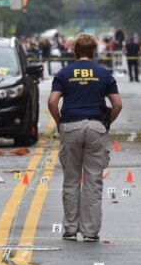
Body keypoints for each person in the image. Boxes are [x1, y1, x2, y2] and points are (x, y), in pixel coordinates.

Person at [47, 33, 122, 242]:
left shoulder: (64, 73)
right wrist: (106, 124)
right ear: (94, 52)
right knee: (93, 181)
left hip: (70, 126)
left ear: (74, 52)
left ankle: (70, 229)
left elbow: (52, 102)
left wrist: (59, 122)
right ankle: (90, 232)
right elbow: (117, 104)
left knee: (71, 179)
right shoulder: (103, 74)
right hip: (96, 126)